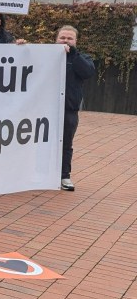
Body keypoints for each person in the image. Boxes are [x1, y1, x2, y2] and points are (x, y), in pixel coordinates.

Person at [56, 25, 96, 191]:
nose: (65, 41)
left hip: (68, 110)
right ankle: (39, 174)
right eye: (62, 38)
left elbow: (87, 72)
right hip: (44, 110)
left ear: (76, 41)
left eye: (69, 38)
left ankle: (64, 176)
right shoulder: (43, 55)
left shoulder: (82, 57)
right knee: (41, 143)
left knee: (66, 144)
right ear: (56, 39)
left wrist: (73, 54)